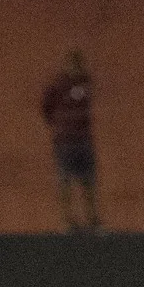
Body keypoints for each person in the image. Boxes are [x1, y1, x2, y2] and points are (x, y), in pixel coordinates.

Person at [41, 52, 99, 233]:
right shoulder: (58, 85)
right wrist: (58, 125)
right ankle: (68, 220)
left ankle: (92, 218)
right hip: (65, 142)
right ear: (66, 66)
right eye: (72, 64)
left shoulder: (85, 83)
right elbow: (46, 106)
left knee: (88, 180)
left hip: (84, 140)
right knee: (65, 180)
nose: (76, 68)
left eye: (78, 64)